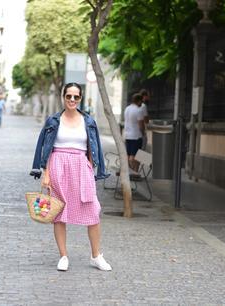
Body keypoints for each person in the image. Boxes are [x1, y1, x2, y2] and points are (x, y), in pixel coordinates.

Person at [30, 82, 111, 272]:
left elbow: (94, 146)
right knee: (59, 213)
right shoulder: (53, 120)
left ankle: (96, 255)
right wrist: (46, 173)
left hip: (81, 168)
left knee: (93, 211)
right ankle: (63, 256)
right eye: (69, 96)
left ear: (80, 99)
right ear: (63, 97)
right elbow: (45, 147)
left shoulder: (88, 121)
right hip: (58, 167)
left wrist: (92, 167)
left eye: (76, 97)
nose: (72, 100)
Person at [124, 93, 145, 171]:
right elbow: (141, 125)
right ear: (139, 101)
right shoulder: (138, 110)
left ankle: (128, 171)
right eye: (141, 102)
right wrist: (143, 133)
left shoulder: (127, 109)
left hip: (127, 135)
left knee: (128, 154)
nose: (141, 103)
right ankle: (135, 171)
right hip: (136, 136)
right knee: (136, 155)